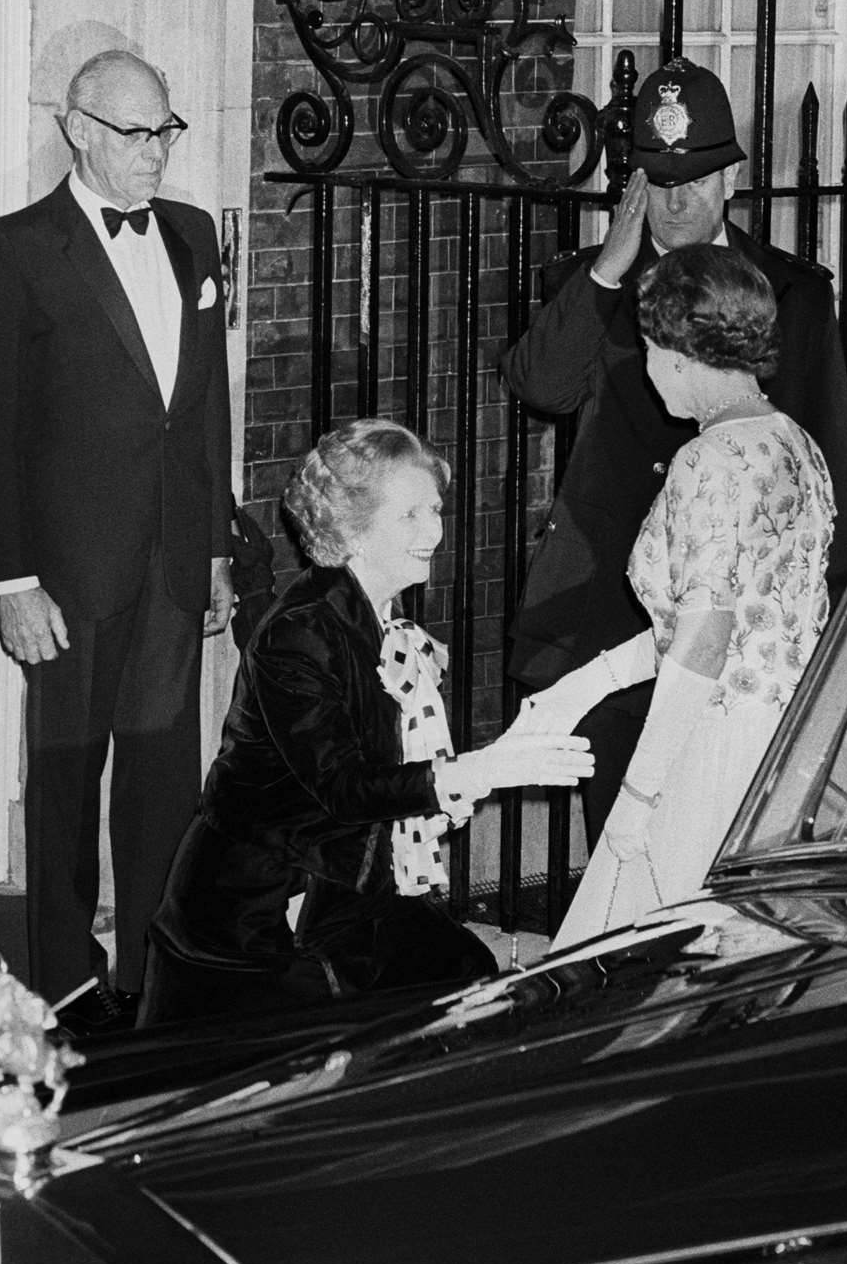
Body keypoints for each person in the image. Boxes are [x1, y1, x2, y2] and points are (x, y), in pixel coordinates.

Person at [499, 57, 847, 854]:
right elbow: (541, 387)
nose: (677, 201)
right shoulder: (595, 284)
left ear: (730, 179)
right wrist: (608, 267)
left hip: (744, 650)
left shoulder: (789, 294)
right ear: (634, 186)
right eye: (659, 181)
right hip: (619, 612)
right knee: (625, 849)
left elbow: (826, 462)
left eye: (696, 179)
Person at [137, 420, 592, 1026]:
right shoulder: (301, 632)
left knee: (469, 984)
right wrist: (481, 769)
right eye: (408, 516)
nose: (433, 531)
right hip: (259, 912)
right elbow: (344, 789)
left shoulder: (375, 616)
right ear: (350, 527)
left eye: (434, 509)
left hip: (349, 884)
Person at [0, 49, 234, 1033]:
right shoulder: (17, 250)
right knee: (68, 781)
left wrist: (213, 550)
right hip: (65, 573)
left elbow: (205, 410)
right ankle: (67, 989)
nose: (157, 152)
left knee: (165, 775)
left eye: (167, 130)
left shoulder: (196, 237)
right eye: (134, 133)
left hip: (170, 557)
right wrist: (8, 579)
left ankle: (152, 978)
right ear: (77, 129)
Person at [516, 245, 835, 942]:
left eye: (654, 350)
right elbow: (722, 623)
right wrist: (584, 685)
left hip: (716, 752)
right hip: (793, 744)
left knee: (641, 961)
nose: (651, 370)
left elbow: (705, 639)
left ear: (682, 356)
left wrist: (640, 793)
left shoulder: (707, 460)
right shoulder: (795, 443)